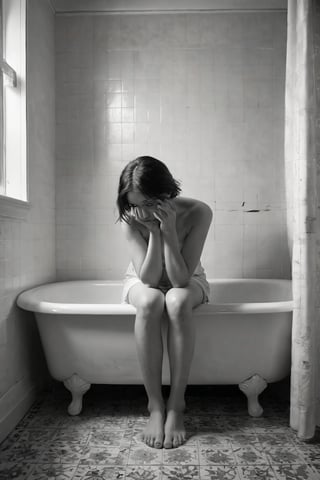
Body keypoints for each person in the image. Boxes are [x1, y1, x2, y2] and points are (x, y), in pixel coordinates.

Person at [117, 156, 212, 449]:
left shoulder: (198, 212)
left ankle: (176, 405)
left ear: (167, 193)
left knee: (178, 299)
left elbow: (181, 279)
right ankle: (155, 406)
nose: (142, 211)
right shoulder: (132, 219)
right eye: (135, 204)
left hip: (188, 275)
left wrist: (169, 229)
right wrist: (155, 232)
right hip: (142, 276)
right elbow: (147, 279)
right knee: (148, 301)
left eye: (150, 202)